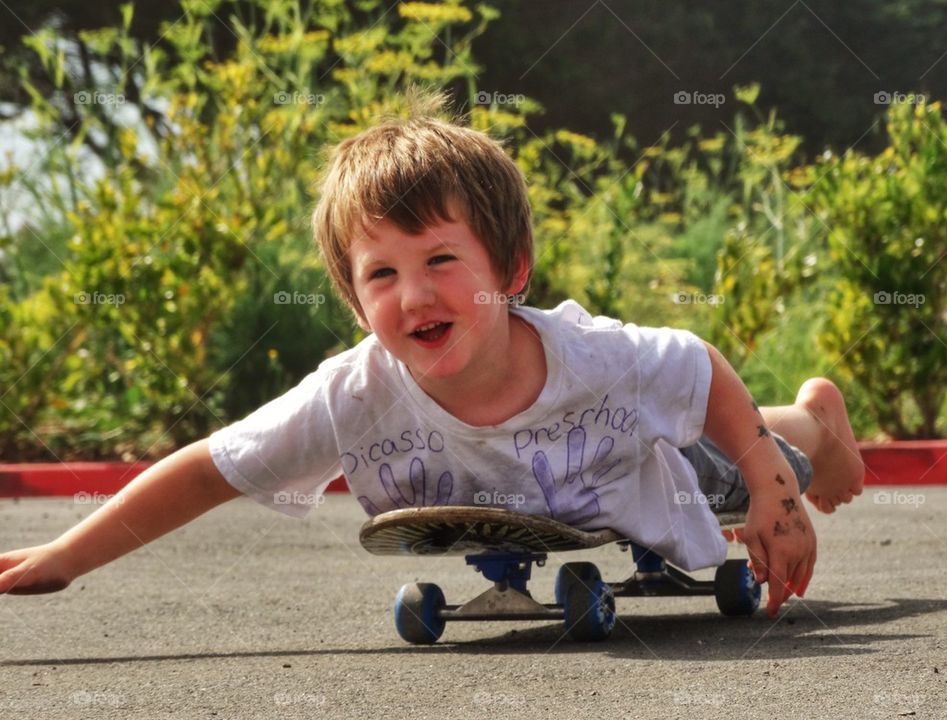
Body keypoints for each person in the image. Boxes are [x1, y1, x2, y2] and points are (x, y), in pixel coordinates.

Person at [0, 91, 864, 619]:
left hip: (643, 463)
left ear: (510, 272)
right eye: (382, 273)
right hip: (555, 480)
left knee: (732, 446)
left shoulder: (595, 358)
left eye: (441, 262)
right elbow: (211, 468)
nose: (412, 296)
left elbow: (699, 367)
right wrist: (65, 558)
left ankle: (817, 425)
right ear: (353, 295)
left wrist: (773, 489)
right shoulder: (353, 394)